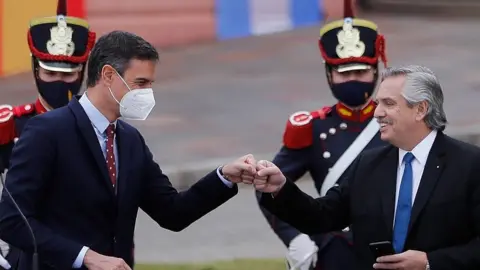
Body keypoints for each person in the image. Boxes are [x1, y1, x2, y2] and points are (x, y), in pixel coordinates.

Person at [0, 30, 259, 270]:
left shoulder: (130, 140)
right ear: (109, 75)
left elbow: (173, 212)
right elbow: (12, 220)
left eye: (150, 83)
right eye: (141, 83)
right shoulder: (47, 131)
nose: (148, 93)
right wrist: (85, 256)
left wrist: (224, 176)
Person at [254, 65, 480, 270]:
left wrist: (430, 262)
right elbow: (321, 216)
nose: (377, 112)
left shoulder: (470, 164)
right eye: (379, 102)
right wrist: (280, 188)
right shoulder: (369, 164)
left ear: (421, 109)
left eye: (389, 104)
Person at [254, 0, 388, 269]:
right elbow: (267, 186)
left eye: (361, 71)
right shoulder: (312, 127)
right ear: (329, 75)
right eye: (344, 73)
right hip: (333, 249)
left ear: (376, 71)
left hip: (389, 246)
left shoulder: (394, 121)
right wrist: (295, 238)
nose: (353, 80)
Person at [0, 0, 95, 268]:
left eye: (68, 75)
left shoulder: (98, 126)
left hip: (88, 253)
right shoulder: (12, 125)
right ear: (35, 70)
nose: (59, 82)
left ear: (82, 72)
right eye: (50, 73)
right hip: (27, 256)